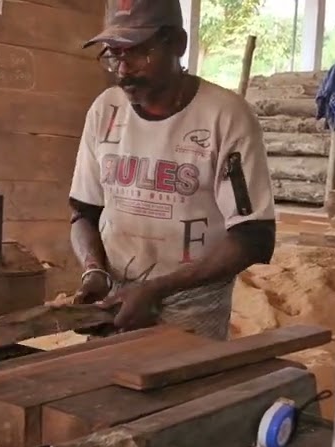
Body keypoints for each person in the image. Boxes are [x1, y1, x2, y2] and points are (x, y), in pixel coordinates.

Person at [69, 0, 278, 339]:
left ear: (178, 44)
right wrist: (94, 272)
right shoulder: (105, 111)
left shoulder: (225, 116)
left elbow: (253, 237)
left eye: (137, 53)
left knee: (185, 390)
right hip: (116, 298)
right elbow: (83, 213)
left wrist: (158, 289)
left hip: (192, 303)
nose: (123, 70)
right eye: (114, 54)